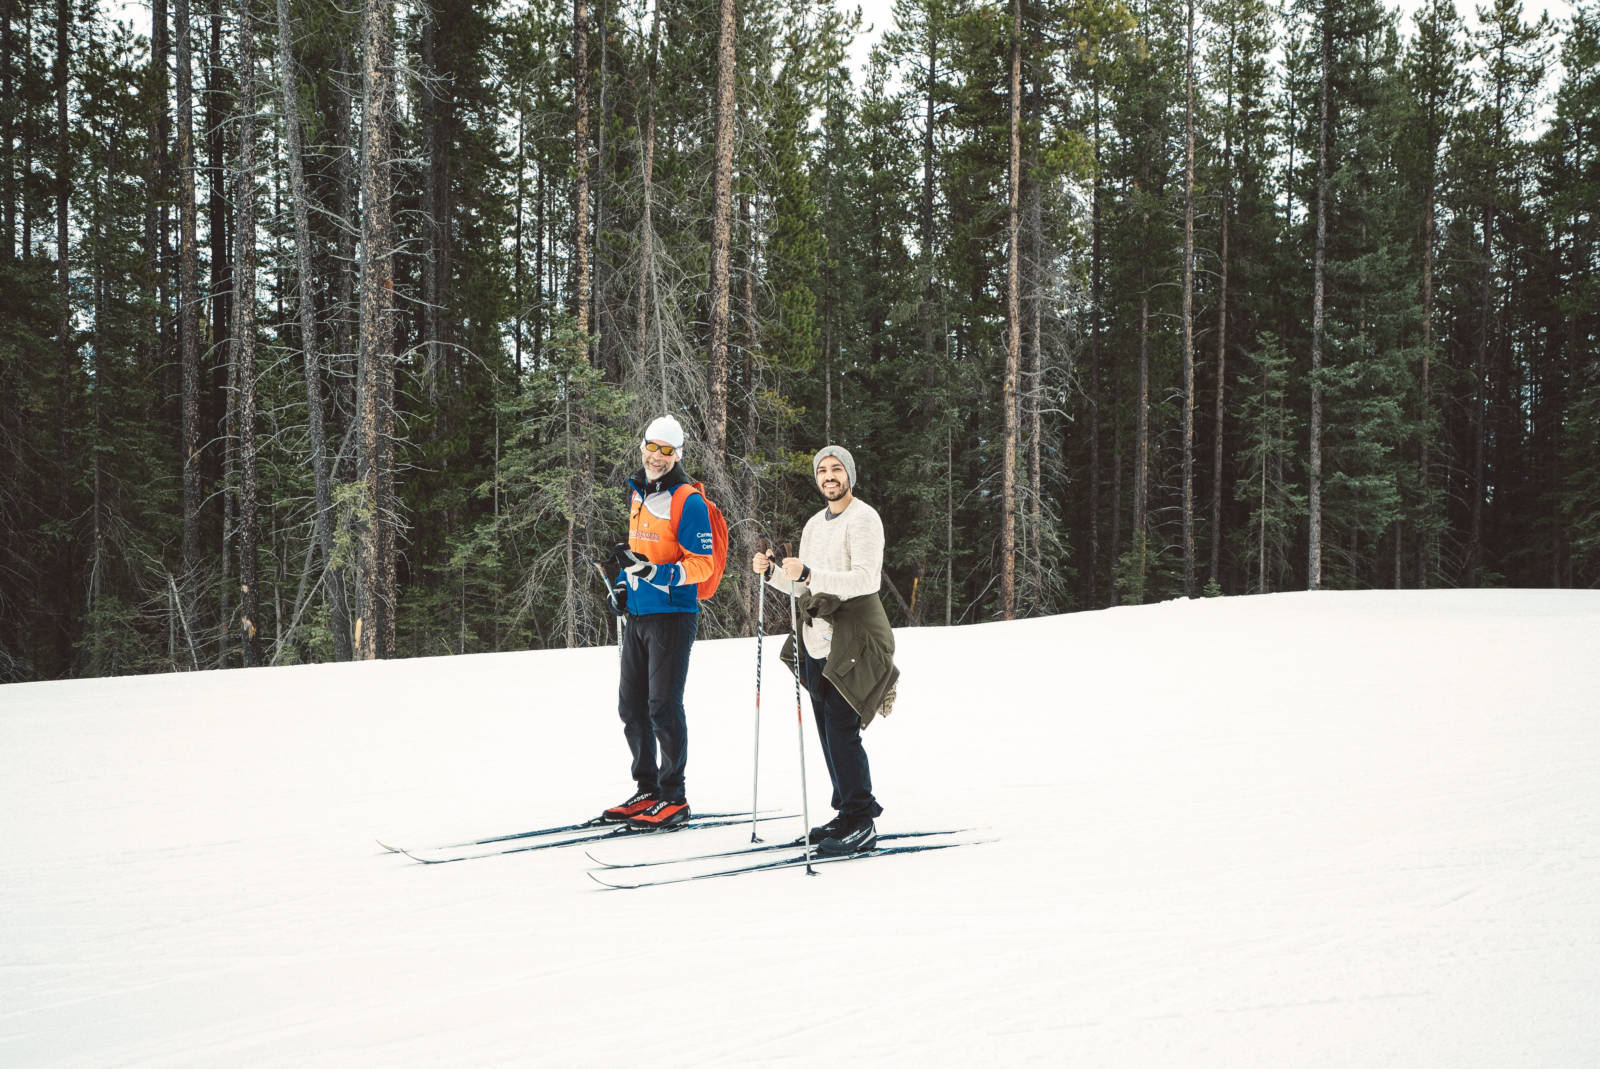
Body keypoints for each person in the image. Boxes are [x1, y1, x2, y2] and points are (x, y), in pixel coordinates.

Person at [752, 445, 899, 856]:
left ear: (850, 475)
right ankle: (845, 811)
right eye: (822, 470)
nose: (829, 476)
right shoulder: (815, 524)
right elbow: (804, 587)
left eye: (837, 469)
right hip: (818, 637)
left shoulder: (864, 518)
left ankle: (861, 819)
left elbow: (866, 580)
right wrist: (775, 575)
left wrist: (812, 572)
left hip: (857, 636)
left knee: (841, 728)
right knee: (826, 728)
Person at [600, 415, 716, 829]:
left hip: (673, 614)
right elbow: (634, 553)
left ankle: (674, 796)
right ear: (643, 446)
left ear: (678, 454)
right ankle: (646, 789)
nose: (657, 456)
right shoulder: (639, 494)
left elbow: (704, 564)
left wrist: (662, 575)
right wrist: (620, 586)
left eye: (667, 450)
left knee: (663, 706)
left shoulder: (689, 500)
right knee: (631, 707)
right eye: (652, 446)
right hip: (639, 613)